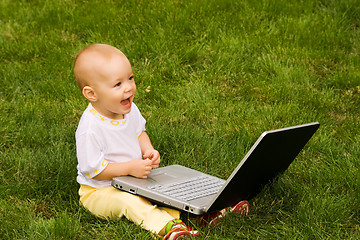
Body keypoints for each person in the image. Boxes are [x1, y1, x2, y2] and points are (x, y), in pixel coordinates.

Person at [74, 43, 249, 239]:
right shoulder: (90, 128)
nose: (129, 88)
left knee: (165, 194)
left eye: (130, 78)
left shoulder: (129, 110)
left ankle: (207, 214)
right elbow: (94, 170)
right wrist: (130, 168)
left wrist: (148, 150)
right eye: (118, 84)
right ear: (91, 94)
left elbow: (139, 132)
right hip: (99, 192)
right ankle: (168, 228)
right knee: (130, 201)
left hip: (132, 180)